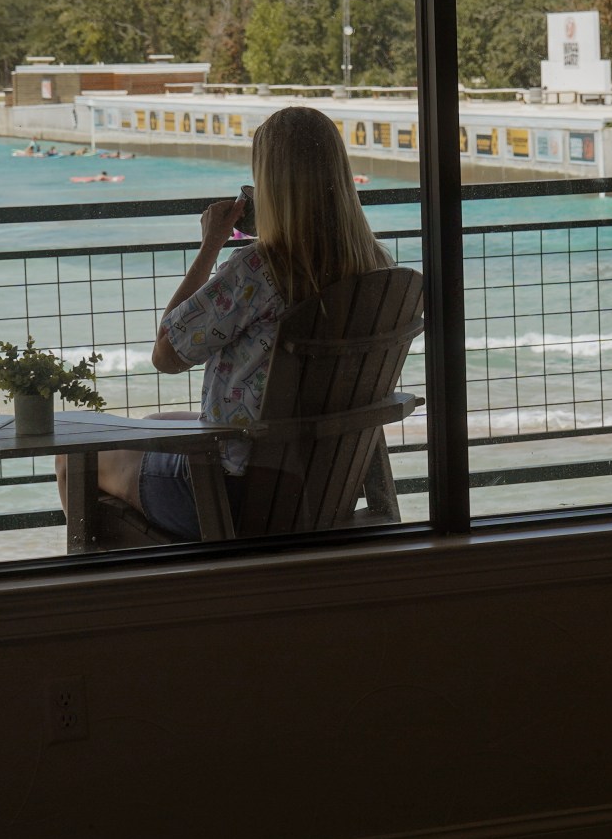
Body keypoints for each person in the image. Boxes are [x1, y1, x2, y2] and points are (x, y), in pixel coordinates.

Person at [62, 106, 392, 541]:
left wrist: (210, 245)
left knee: (74, 459)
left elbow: (167, 355)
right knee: (156, 419)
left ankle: (111, 581)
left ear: (270, 185)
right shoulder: (378, 269)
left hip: (234, 496)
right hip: (325, 484)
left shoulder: (259, 268)